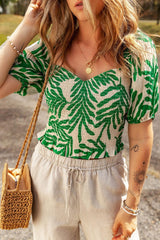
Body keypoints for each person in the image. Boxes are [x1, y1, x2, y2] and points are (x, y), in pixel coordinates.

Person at [0, 0, 159, 239]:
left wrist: (131, 207)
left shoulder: (137, 53)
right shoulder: (52, 48)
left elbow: (141, 134)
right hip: (50, 177)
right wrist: (27, 27)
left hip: (106, 180)